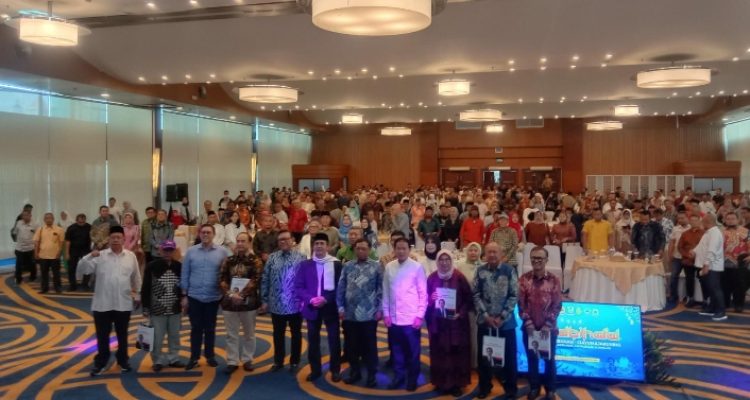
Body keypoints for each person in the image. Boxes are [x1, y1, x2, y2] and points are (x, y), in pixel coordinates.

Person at [76, 226, 141, 376]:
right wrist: (89, 256)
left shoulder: (131, 256)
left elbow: (136, 277)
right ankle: (101, 362)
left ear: (124, 239)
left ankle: (123, 360)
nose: (116, 240)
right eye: (113, 237)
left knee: (122, 335)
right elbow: (83, 270)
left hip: (123, 303)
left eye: (119, 237)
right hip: (102, 304)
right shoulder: (100, 256)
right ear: (108, 240)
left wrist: (138, 295)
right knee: (102, 336)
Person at [295, 233, 343, 382]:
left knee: (334, 340)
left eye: (322, 243)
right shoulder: (305, 265)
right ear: (313, 247)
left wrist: (326, 299)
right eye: (316, 244)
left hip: (330, 307)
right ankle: (315, 370)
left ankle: (335, 370)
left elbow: (341, 287)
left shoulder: (336, 264)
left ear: (327, 247)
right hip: (312, 307)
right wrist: (311, 299)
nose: (319, 246)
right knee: (313, 341)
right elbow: (299, 286)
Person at [473, 242, 518, 399]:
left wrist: (502, 316)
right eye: (489, 252)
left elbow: (514, 295)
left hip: (506, 324)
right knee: (484, 358)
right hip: (485, 322)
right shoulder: (480, 271)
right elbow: (475, 294)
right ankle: (485, 387)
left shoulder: (509, 270)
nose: (492, 255)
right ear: (485, 254)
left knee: (509, 358)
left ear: (501, 254)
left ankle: (511, 389)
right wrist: (486, 315)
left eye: (495, 252)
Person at [382, 237, 427, 392]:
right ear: (394, 250)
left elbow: (423, 293)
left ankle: (412, 379)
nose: (401, 251)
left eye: (404, 248)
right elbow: (386, 291)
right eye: (398, 248)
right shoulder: (389, 267)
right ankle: (399, 376)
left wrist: (420, 315)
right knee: (396, 351)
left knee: (413, 352)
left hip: (411, 318)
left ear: (409, 250)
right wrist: (386, 313)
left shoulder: (417, 267)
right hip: (393, 318)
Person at [181, 223, 228, 370]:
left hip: (213, 297)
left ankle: (210, 356)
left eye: (208, 232)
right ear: (199, 234)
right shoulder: (191, 252)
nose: (206, 234)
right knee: (195, 328)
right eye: (203, 232)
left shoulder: (223, 252)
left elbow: (227, 272)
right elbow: (185, 273)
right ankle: (194, 357)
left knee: (210, 328)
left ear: (213, 234)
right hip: (194, 296)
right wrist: (184, 295)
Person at [425, 250, 472, 397]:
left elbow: (469, 300)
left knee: (455, 353)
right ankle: (440, 382)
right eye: (441, 260)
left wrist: (460, 313)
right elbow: (424, 299)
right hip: (438, 324)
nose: (444, 263)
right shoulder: (432, 278)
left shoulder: (459, 277)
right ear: (437, 262)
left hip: (456, 324)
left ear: (451, 261)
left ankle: (456, 384)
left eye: (447, 260)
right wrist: (431, 299)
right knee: (439, 352)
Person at [519, 246, 562, 400]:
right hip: (529, 329)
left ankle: (550, 389)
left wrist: (547, 325)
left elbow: (557, 305)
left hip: (548, 330)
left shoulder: (554, 280)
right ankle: (534, 387)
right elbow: (521, 303)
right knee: (532, 359)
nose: (536, 261)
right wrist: (529, 323)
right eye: (534, 258)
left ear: (546, 260)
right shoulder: (524, 279)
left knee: (549, 360)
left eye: (540, 258)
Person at [337, 238, 382, 387]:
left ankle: (371, 375)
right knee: (351, 347)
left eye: (364, 248)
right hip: (349, 315)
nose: (361, 251)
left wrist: (380, 309)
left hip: (369, 314)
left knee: (370, 347)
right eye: (358, 248)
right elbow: (341, 288)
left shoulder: (376, 267)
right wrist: (340, 307)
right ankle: (355, 372)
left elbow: (381, 290)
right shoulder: (347, 266)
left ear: (369, 250)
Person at [260, 230, 306, 373]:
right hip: (276, 303)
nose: (283, 242)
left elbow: (306, 281)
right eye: (280, 240)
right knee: (278, 334)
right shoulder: (272, 258)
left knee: (296, 334)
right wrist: (264, 299)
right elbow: (265, 278)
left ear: (292, 240)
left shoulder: (302, 258)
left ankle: (295, 362)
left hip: (295, 304)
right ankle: (278, 361)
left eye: (286, 239)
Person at [219, 232, 263, 374]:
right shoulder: (228, 260)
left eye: (243, 241)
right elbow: (222, 279)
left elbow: (256, 280)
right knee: (231, 334)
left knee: (249, 334)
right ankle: (232, 361)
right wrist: (231, 294)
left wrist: (241, 295)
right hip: (229, 303)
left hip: (249, 303)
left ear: (249, 243)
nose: (240, 244)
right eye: (238, 241)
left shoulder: (256, 261)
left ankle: (247, 359)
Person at [141, 240, 186, 372]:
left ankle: (174, 358)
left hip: (175, 307)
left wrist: (184, 299)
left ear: (174, 251)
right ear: (160, 251)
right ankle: (157, 360)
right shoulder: (152, 266)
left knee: (174, 335)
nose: (167, 253)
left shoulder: (179, 266)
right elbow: (145, 287)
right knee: (157, 337)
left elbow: (183, 286)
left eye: (170, 250)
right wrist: (146, 307)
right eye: (165, 250)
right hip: (157, 308)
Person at [695, 214, 727, 321]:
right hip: (708, 265)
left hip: (712, 266)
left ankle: (721, 311)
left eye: (702, 221)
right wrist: (694, 251)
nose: (701, 223)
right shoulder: (708, 233)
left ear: (707, 222)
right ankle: (712, 308)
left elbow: (712, 250)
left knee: (715, 288)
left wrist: (706, 265)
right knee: (711, 289)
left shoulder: (715, 233)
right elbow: (702, 246)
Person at [720, 212, 749, 312]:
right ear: (725, 220)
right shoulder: (721, 232)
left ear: (738, 220)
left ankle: (738, 305)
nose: (730, 221)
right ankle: (725, 303)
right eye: (728, 219)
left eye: (733, 218)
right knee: (725, 284)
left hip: (740, 262)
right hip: (724, 261)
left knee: (740, 285)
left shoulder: (746, 231)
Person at [34, 212, 65, 294]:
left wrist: (59, 253)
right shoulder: (40, 229)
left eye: (50, 218)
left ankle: (58, 288)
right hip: (43, 255)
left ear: (53, 219)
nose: (48, 220)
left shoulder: (59, 229)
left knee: (56, 273)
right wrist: (36, 253)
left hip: (55, 256)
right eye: (47, 218)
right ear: (44, 220)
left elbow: (61, 243)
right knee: (44, 274)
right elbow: (36, 242)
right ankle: (44, 289)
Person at [65, 213, 91, 291]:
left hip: (86, 250)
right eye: (80, 222)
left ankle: (85, 284)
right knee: (71, 268)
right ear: (76, 220)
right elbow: (68, 241)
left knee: (87, 267)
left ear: (85, 220)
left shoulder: (90, 227)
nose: (82, 223)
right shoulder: (71, 228)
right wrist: (67, 253)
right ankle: (72, 285)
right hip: (73, 250)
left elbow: (94, 238)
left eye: (83, 222)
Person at [12, 210, 38, 285]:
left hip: (30, 248)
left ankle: (33, 276)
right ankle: (18, 279)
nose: (25, 217)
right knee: (18, 265)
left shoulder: (35, 224)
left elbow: (37, 236)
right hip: (20, 248)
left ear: (30, 215)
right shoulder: (18, 223)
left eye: (27, 215)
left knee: (32, 264)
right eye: (23, 215)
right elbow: (14, 233)